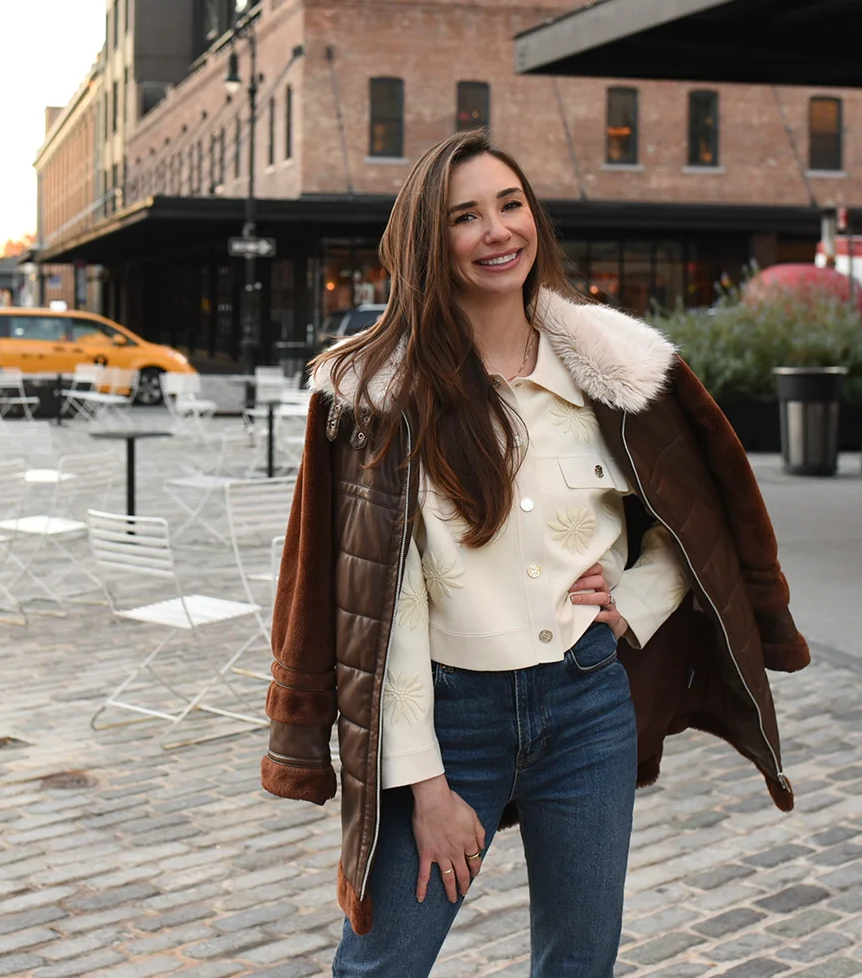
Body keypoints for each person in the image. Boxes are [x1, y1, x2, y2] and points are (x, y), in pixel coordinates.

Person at [260, 130, 809, 978]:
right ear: (426, 243)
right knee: (378, 966)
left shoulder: (611, 370)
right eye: (464, 217)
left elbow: (689, 526)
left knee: (578, 962)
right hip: (447, 718)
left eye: (509, 205)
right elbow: (383, 604)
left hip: (586, 707)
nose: (496, 231)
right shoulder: (378, 394)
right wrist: (425, 788)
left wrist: (635, 595)